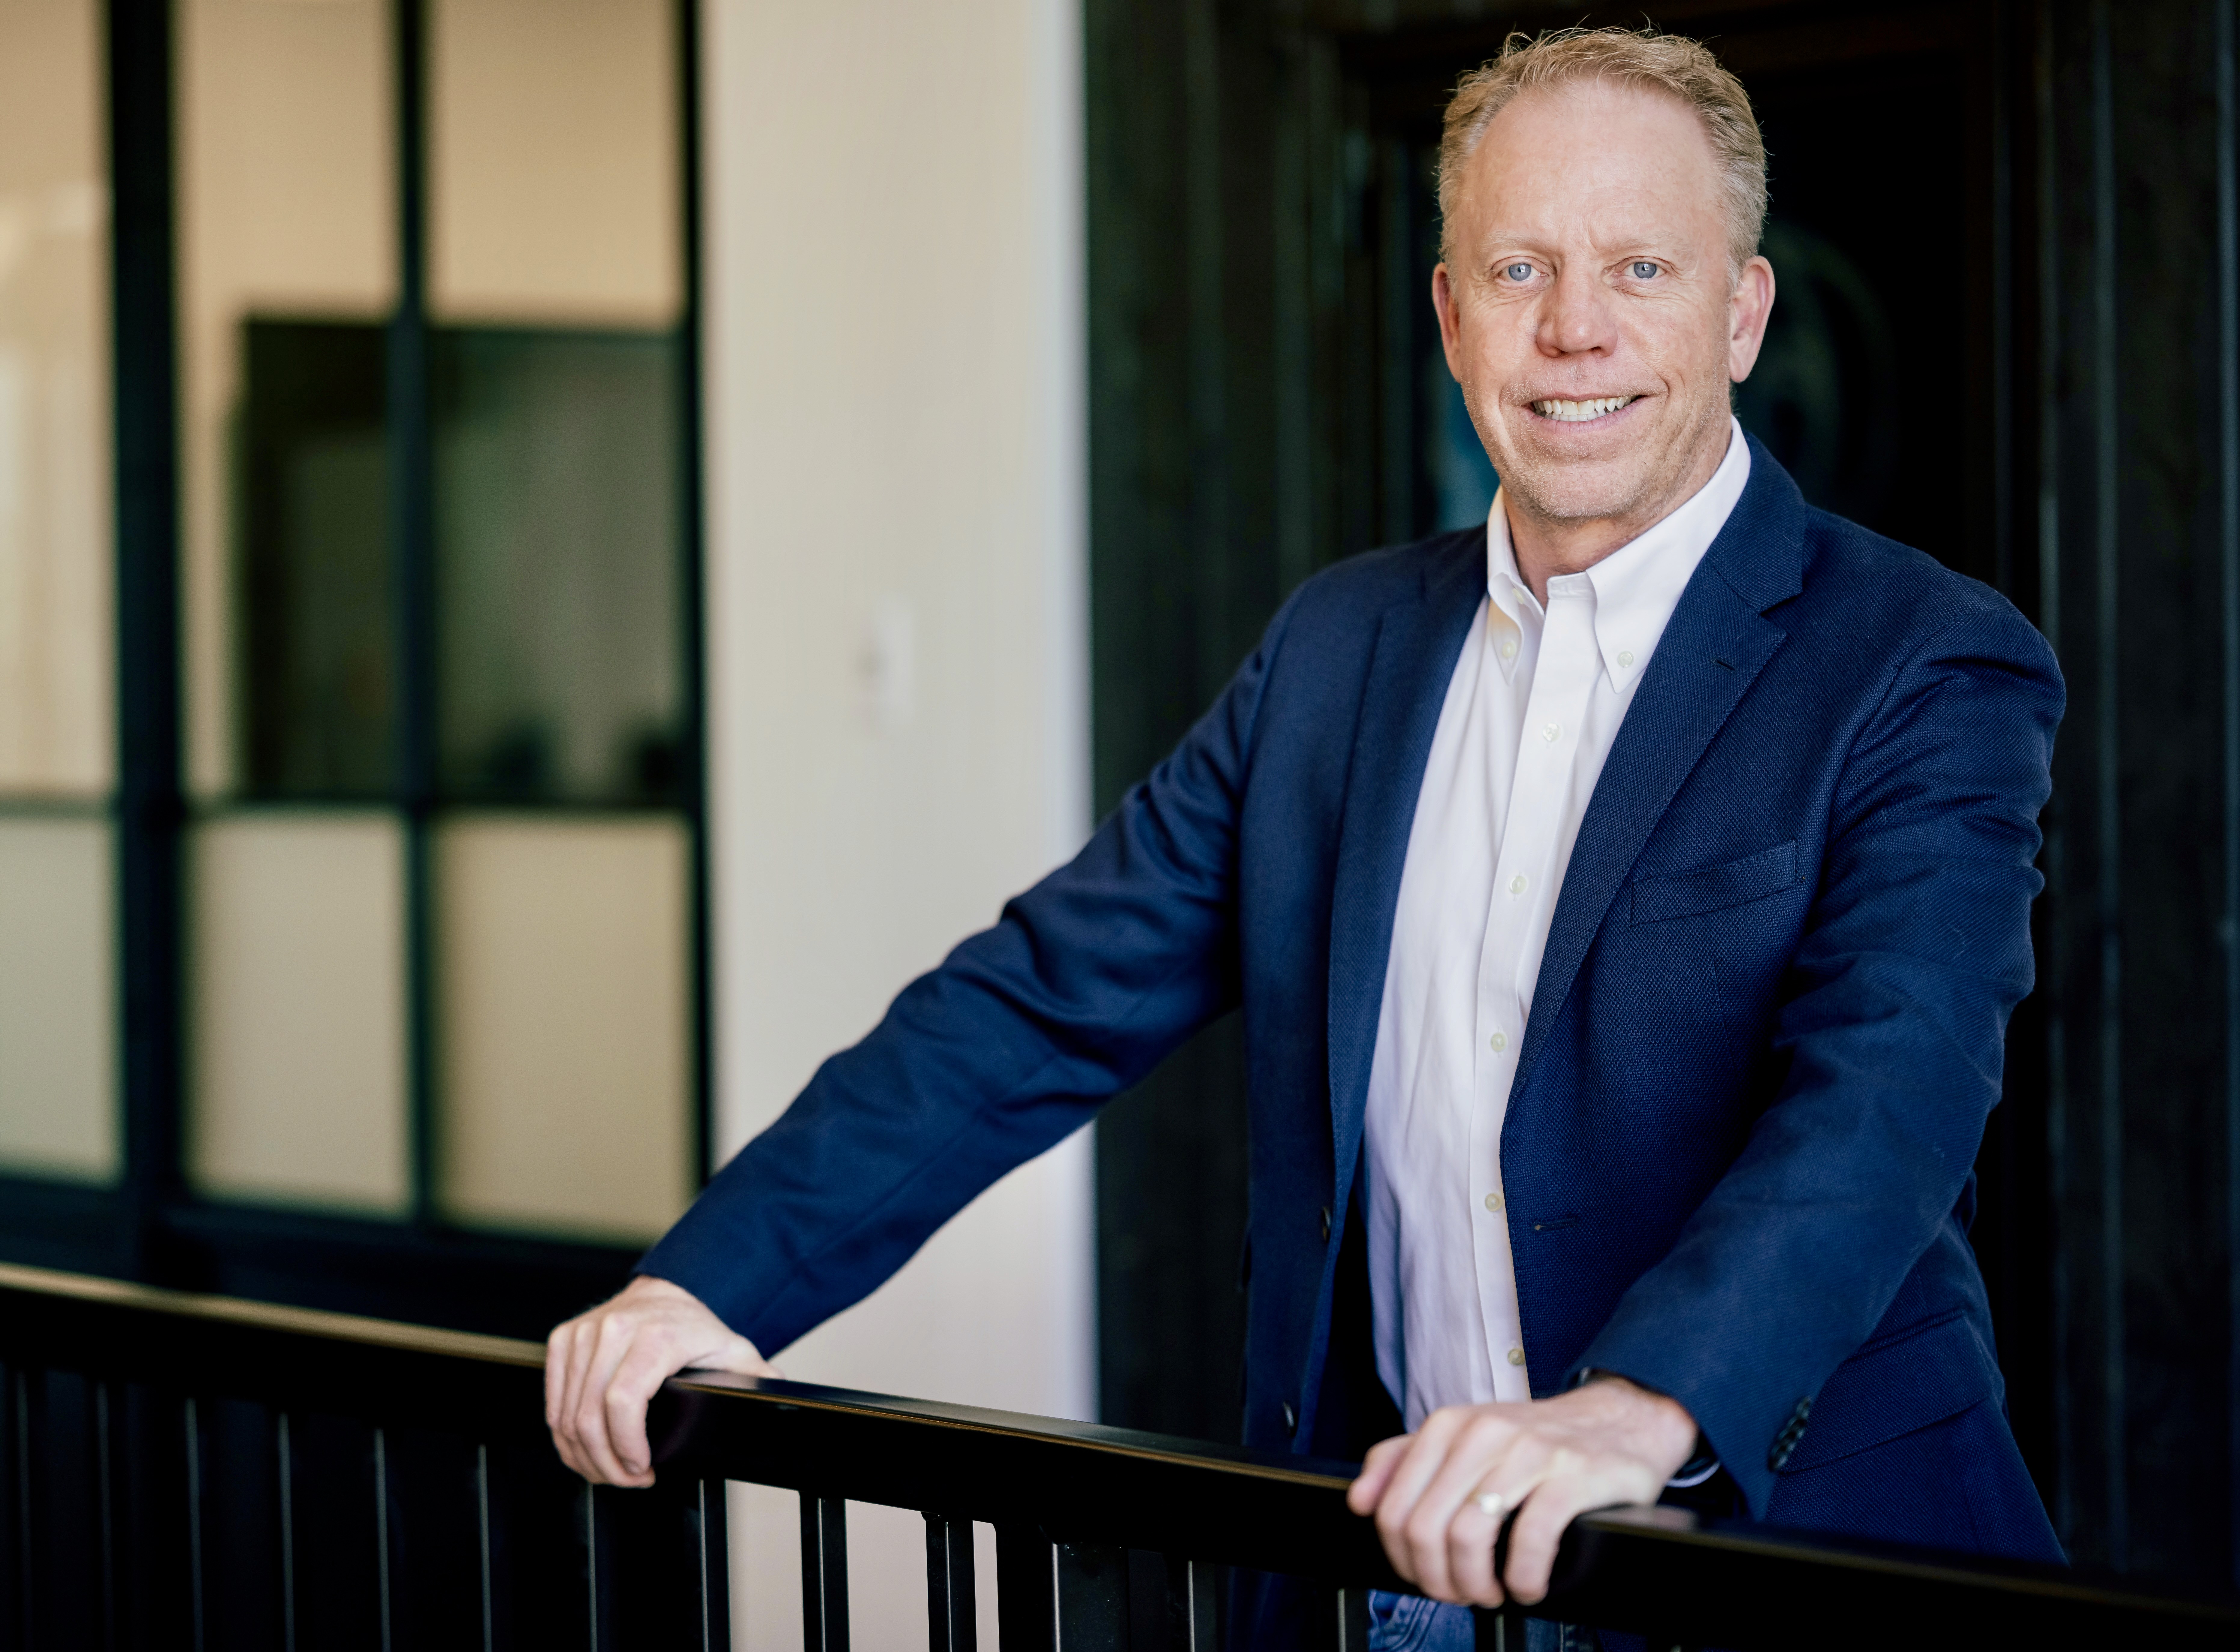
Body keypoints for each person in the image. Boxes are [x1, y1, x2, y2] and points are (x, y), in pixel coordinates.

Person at [544, 24, 2066, 1649]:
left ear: (1745, 311)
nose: (1573, 330)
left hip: (1792, 1573)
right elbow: (1044, 991)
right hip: (1402, 1593)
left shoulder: (1923, 658)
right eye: (1518, 268)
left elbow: (1889, 1096)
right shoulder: (1338, 652)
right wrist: (711, 1284)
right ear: (1447, 313)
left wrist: (1636, 1409)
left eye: (1640, 267)